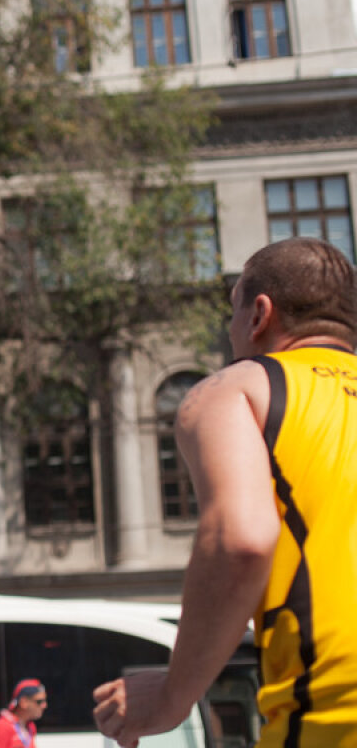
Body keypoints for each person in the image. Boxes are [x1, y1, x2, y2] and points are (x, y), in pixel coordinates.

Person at [92, 236, 357, 748]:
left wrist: (171, 696)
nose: (230, 330)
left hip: (332, 713)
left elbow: (240, 541)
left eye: (231, 312)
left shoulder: (239, 389)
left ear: (259, 314)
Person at [0, 678, 47, 748]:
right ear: (23, 702)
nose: (45, 705)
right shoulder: (3, 726)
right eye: (39, 701)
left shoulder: (31, 726)